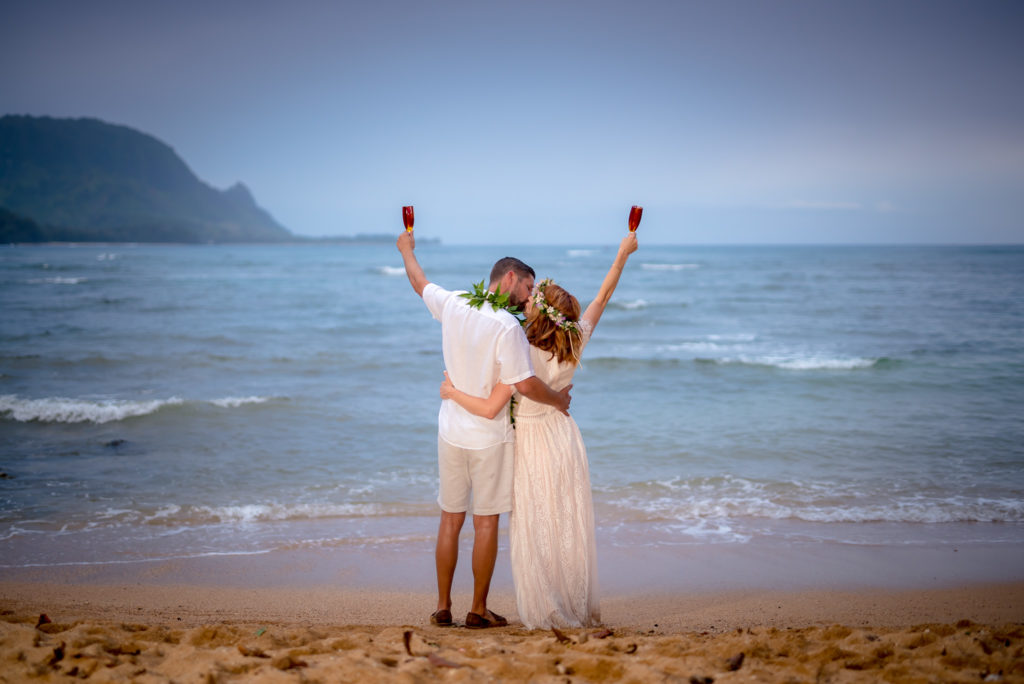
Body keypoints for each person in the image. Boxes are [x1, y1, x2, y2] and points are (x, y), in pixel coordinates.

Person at [440, 232, 638, 629]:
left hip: (528, 440)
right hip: (563, 437)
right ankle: (570, 601)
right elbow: (604, 296)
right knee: (565, 521)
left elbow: (499, 383)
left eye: (532, 300)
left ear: (541, 312)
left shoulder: (519, 346)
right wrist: (622, 254)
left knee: (533, 526)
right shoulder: (577, 339)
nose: (525, 302)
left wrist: (451, 388)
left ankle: (544, 605)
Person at [396, 229, 572, 629]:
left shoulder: (455, 303)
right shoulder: (507, 328)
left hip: (451, 431)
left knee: (449, 519)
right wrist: (559, 400)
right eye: (527, 287)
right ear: (509, 277)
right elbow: (525, 384)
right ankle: (477, 609)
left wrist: (405, 249)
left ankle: (442, 606)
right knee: (486, 523)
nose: (529, 298)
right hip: (490, 437)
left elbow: (419, 282)